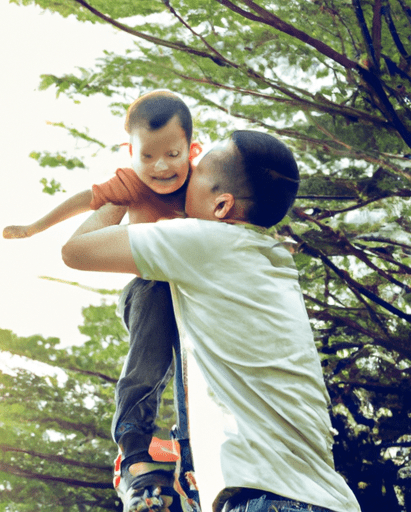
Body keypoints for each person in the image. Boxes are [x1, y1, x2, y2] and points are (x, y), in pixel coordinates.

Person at [61, 131, 362, 512]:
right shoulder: (271, 259)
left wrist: (124, 190)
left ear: (222, 206)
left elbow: (76, 251)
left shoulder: (204, 242)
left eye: (196, 171)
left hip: (268, 502)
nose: (184, 172)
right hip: (321, 500)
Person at [3, 90, 202, 511]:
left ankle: (188, 450)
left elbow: (234, 213)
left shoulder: (204, 182)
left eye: (172, 153)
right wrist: (34, 227)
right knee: (148, 366)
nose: (161, 167)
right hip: (148, 290)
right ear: (131, 153)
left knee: (191, 368)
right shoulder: (130, 183)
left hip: (191, 292)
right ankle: (133, 449)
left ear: (192, 149)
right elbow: (83, 201)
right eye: (147, 156)